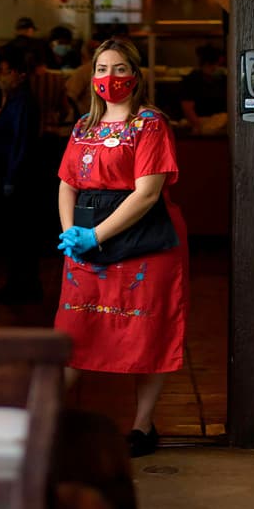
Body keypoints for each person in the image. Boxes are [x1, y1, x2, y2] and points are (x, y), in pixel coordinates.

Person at [55, 38, 188, 458]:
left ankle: (142, 426)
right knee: (73, 333)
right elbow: (67, 183)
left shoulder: (150, 124)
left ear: (135, 75)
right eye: (100, 69)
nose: (108, 78)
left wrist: (96, 235)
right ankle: (46, 421)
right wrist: (71, 235)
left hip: (144, 243)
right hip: (85, 247)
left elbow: (148, 193)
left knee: (145, 332)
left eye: (117, 69)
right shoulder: (83, 127)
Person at [0, 47, 44, 303]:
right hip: (17, 173)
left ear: (18, 73)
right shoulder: (16, 98)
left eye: (4, 71)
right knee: (18, 235)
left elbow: (20, 142)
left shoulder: (22, 101)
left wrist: (11, 179)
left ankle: (22, 285)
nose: (1, 76)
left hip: (19, 176)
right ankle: (21, 284)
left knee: (19, 234)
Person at [179, 43, 229, 135]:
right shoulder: (192, 80)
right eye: (216, 65)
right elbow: (187, 108)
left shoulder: (222, 79)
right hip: (200, 125)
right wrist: (198, 127)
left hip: (221, 126)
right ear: (207, 64)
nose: (218, 68)